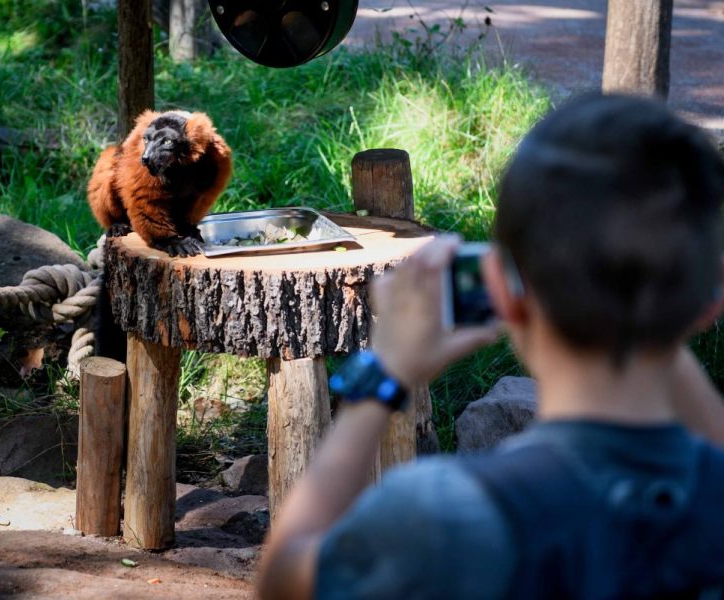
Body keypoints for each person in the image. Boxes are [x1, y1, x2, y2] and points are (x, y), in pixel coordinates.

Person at [257, 93, 724, 599]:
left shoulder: (444, 514)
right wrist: (648, 301)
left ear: (504, 292)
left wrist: (384, 371)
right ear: (710, 299)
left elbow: (282, 577)